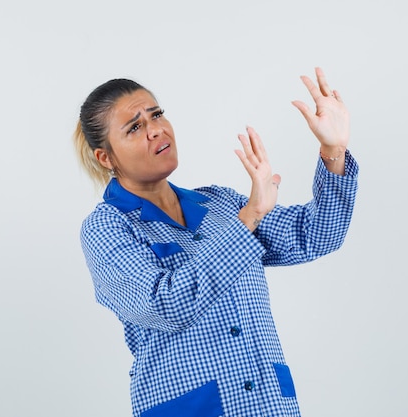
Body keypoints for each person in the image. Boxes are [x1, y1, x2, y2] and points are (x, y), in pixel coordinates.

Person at [73, 67, 358, 417]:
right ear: (106, 157)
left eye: (157, 114)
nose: (156, 130)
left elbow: (315, 235)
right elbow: (164, 305)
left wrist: (333, 150)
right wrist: (248, 219)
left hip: (266, 405)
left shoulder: (220, 203)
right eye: (135, 127)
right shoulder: (106, 228)